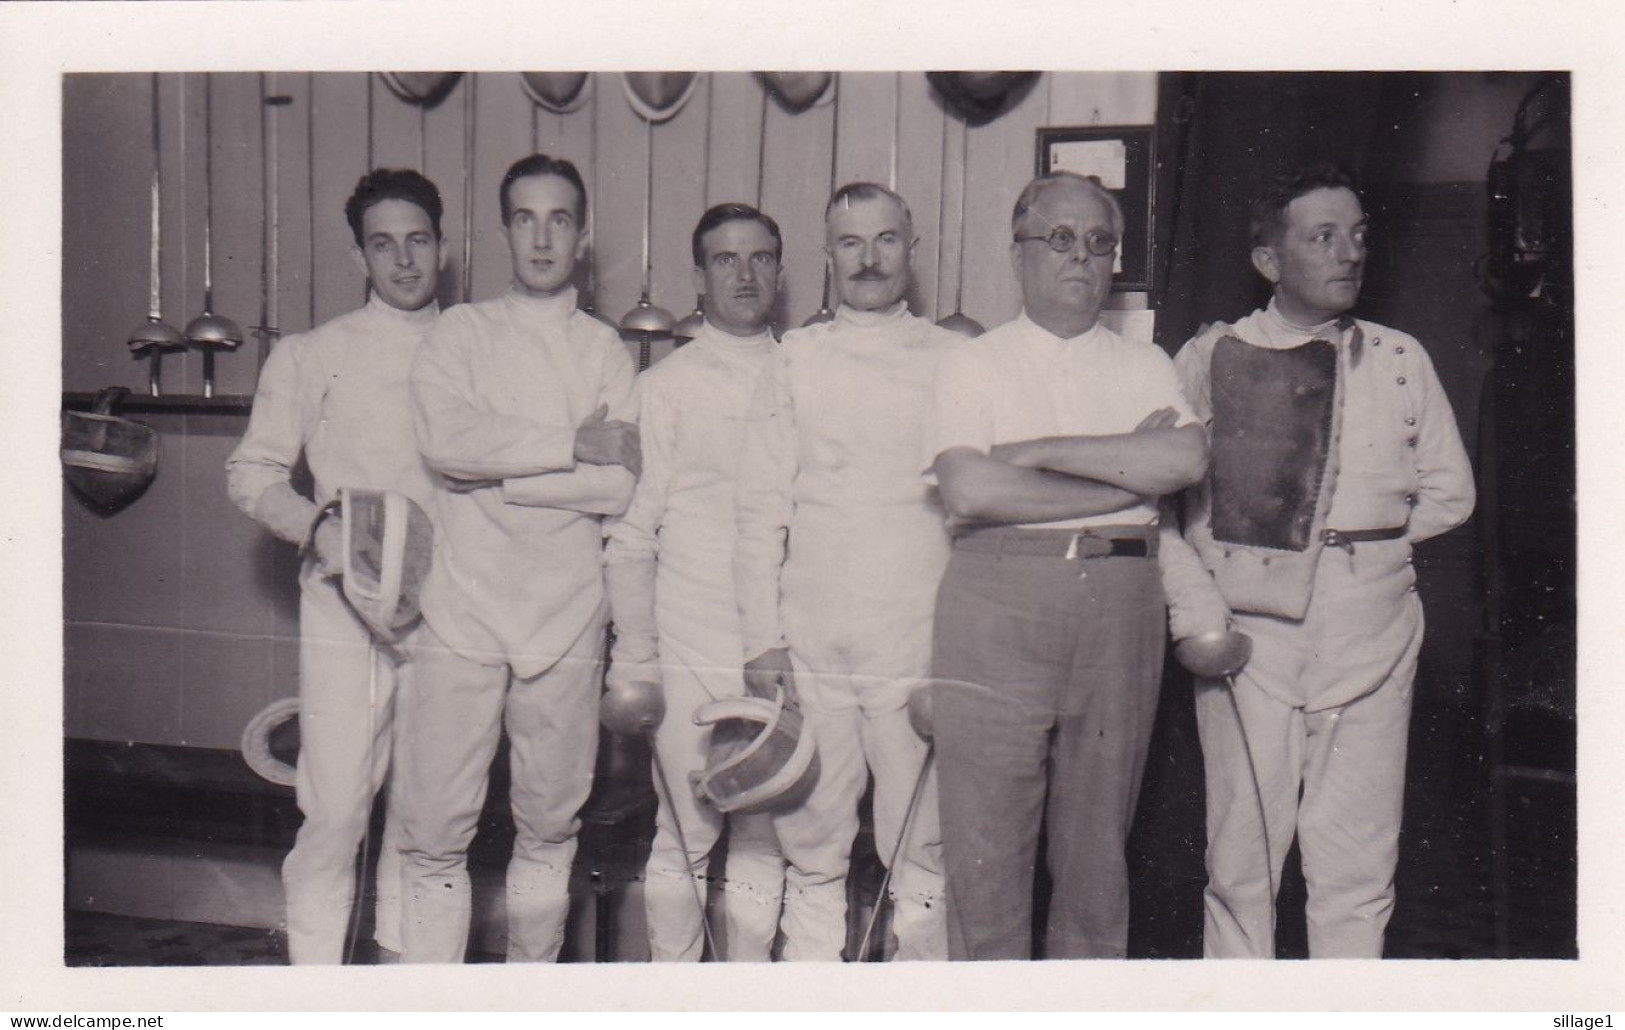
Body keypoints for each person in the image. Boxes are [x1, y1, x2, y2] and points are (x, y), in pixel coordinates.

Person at [1162, 165, 1475, 958]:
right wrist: (1214, 599)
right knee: (1242, 859)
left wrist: (1357, 553)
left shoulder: (1401, 357)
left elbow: (1449, 493)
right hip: (1251, 640)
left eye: (1358, 236)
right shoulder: (1212, 356)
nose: (1348, 253)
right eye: (1323, 236)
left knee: (1356, 862)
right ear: (1269, 260)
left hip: (1374, 630)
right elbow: (1167, 508)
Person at [925, 171, 1208, 960]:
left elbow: (1183, 458)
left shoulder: (1145, 364)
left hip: (1119, 608)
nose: (1079, 256)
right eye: (1058, 238)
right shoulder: (970, 364)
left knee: (1096, 862)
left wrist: (1042, 454)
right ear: (1016, 254)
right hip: (996, 600)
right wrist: (1120, 478)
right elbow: (971, 488)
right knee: (986, 858)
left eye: (1097, 242)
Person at [400, 153, 640, 963]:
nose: (543, 237)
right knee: (434, 829)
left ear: (583, 236)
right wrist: (566, 445)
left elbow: (614, 490)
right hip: (460, 607)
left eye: (560, 219)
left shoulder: (606, 349)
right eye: (526, 218)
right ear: (504, 230)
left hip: (567, 615)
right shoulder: (459, 333)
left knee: (548, 826)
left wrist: (498, 482)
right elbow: (444, 443)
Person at [226, 168, 449, 964]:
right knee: (337, 811)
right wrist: (322, 533)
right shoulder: (312, 354)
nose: (403, 261)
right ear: (360, 255)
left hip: (446, 613)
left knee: (426, 818)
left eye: (417, 240)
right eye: (383, 244)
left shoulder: (473, 349)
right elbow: (251, 473)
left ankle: (402, 989)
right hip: (342, 609)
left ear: (443, 247)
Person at [735, 182, 955, 961]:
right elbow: (759, 508)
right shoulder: (793, 358)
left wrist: (954, 648)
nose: (868, 259)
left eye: (885, 240)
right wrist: (763, 641)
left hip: (916, 642)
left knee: (921, 851)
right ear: (827, 256)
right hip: (813, 642)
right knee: (813, 845)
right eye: (850, 243)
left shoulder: (954, 358)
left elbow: (971, 514)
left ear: (911, 248)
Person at [605, 203, 789, 961]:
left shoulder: (806, 371)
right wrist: (639, 655)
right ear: (699, 275)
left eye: (759, 258)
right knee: (682, 831)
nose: (744, 275)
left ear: (779, 269)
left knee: (764, 829)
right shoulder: (667, 386)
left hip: (779, 642)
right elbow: (630, 533)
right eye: (725, 259)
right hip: (688, 635)